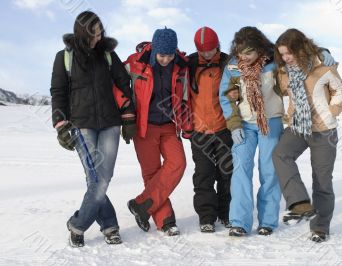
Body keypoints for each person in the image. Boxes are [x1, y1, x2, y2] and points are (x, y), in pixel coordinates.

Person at [50, 11, 136, 247]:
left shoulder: (108, 55)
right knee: (96, 178)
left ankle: (78, 223)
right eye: (93, 35)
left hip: (110, 122)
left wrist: (128, 115)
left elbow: (124, 83)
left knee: (103, 178)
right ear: (81, 33)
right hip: (81, 124)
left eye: (100, 34)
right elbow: (58, 93)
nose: (97, 39)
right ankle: (109, 226)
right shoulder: (64, 57)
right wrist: (60, 124)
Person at [113, 27, 193, 236]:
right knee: (152, 173)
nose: (166, 59)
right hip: (144, 126)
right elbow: (117, 85)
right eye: (162, 55)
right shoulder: (135, 62)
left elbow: (184, 97)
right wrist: (127, 115)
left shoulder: (181, 66)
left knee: (178, 163)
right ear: (155, 49)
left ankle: (140, 205)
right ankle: (165, 220)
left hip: (168, 125)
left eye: (169, 55)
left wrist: (186, 125)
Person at [272, 28, 342, 243]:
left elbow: (340, 90)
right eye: (282, 54)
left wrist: (331, 112)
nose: (285, 58)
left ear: (300, 49)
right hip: (298, 126)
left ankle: (320, 228)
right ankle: (300, 203)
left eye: (289, 53)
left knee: (322, 180)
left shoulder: (322, 66)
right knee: (280, 155)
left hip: (324, 131)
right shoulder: (284, 71)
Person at [219, 26, 285, 237]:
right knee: (240, 171)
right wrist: (234, 124)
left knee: (270, 171)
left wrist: (323, 54)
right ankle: (239, 221)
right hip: (244, 126)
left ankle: (267, 221)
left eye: (248, 53)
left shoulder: (275, 63)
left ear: (259, 49)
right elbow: (226, 97)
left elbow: (301, 55)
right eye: (240, 52)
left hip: (270, 123)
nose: (243, 57)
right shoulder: (232, 67)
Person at [187, 26, 233, 233]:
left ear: (218, 46)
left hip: (225, 129)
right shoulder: (189, 64)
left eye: (211, 49)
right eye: (203, 51)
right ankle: (206, 217)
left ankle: (227, 213)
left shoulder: (228, 63)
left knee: (227, 173)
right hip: (199, 131)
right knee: (204, 174)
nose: (207, 54)